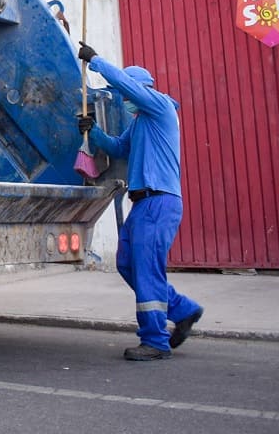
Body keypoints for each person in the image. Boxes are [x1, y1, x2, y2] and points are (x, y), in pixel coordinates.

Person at [76, 42, 204, 361]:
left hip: (159, 201)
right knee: (127, 263)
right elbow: (119, 148)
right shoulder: (140, 124)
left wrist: (96, 62)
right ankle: (182, 309)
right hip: (144, 204)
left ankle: (155, 340)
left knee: (146, 269)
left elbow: (123, 82)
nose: (124, 101)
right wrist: (94, 133)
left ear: (140, 90)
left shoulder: (160, 106)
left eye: (127, 95)